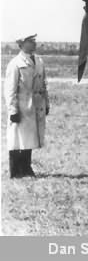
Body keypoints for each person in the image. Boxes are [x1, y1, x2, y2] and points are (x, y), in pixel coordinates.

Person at [4, 34, 49, 178]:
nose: (34, 43)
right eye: (31, 41)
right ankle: (16, 170)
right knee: (17, 138)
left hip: (35, 105)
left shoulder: (39, 61)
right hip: (21, 107)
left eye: (34, 40)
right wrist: (12, 110)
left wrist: (46, 103)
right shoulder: (15, 63)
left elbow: (44, 85)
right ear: (21, 44)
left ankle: (26, 168)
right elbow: (9, 90)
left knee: (30, 138)